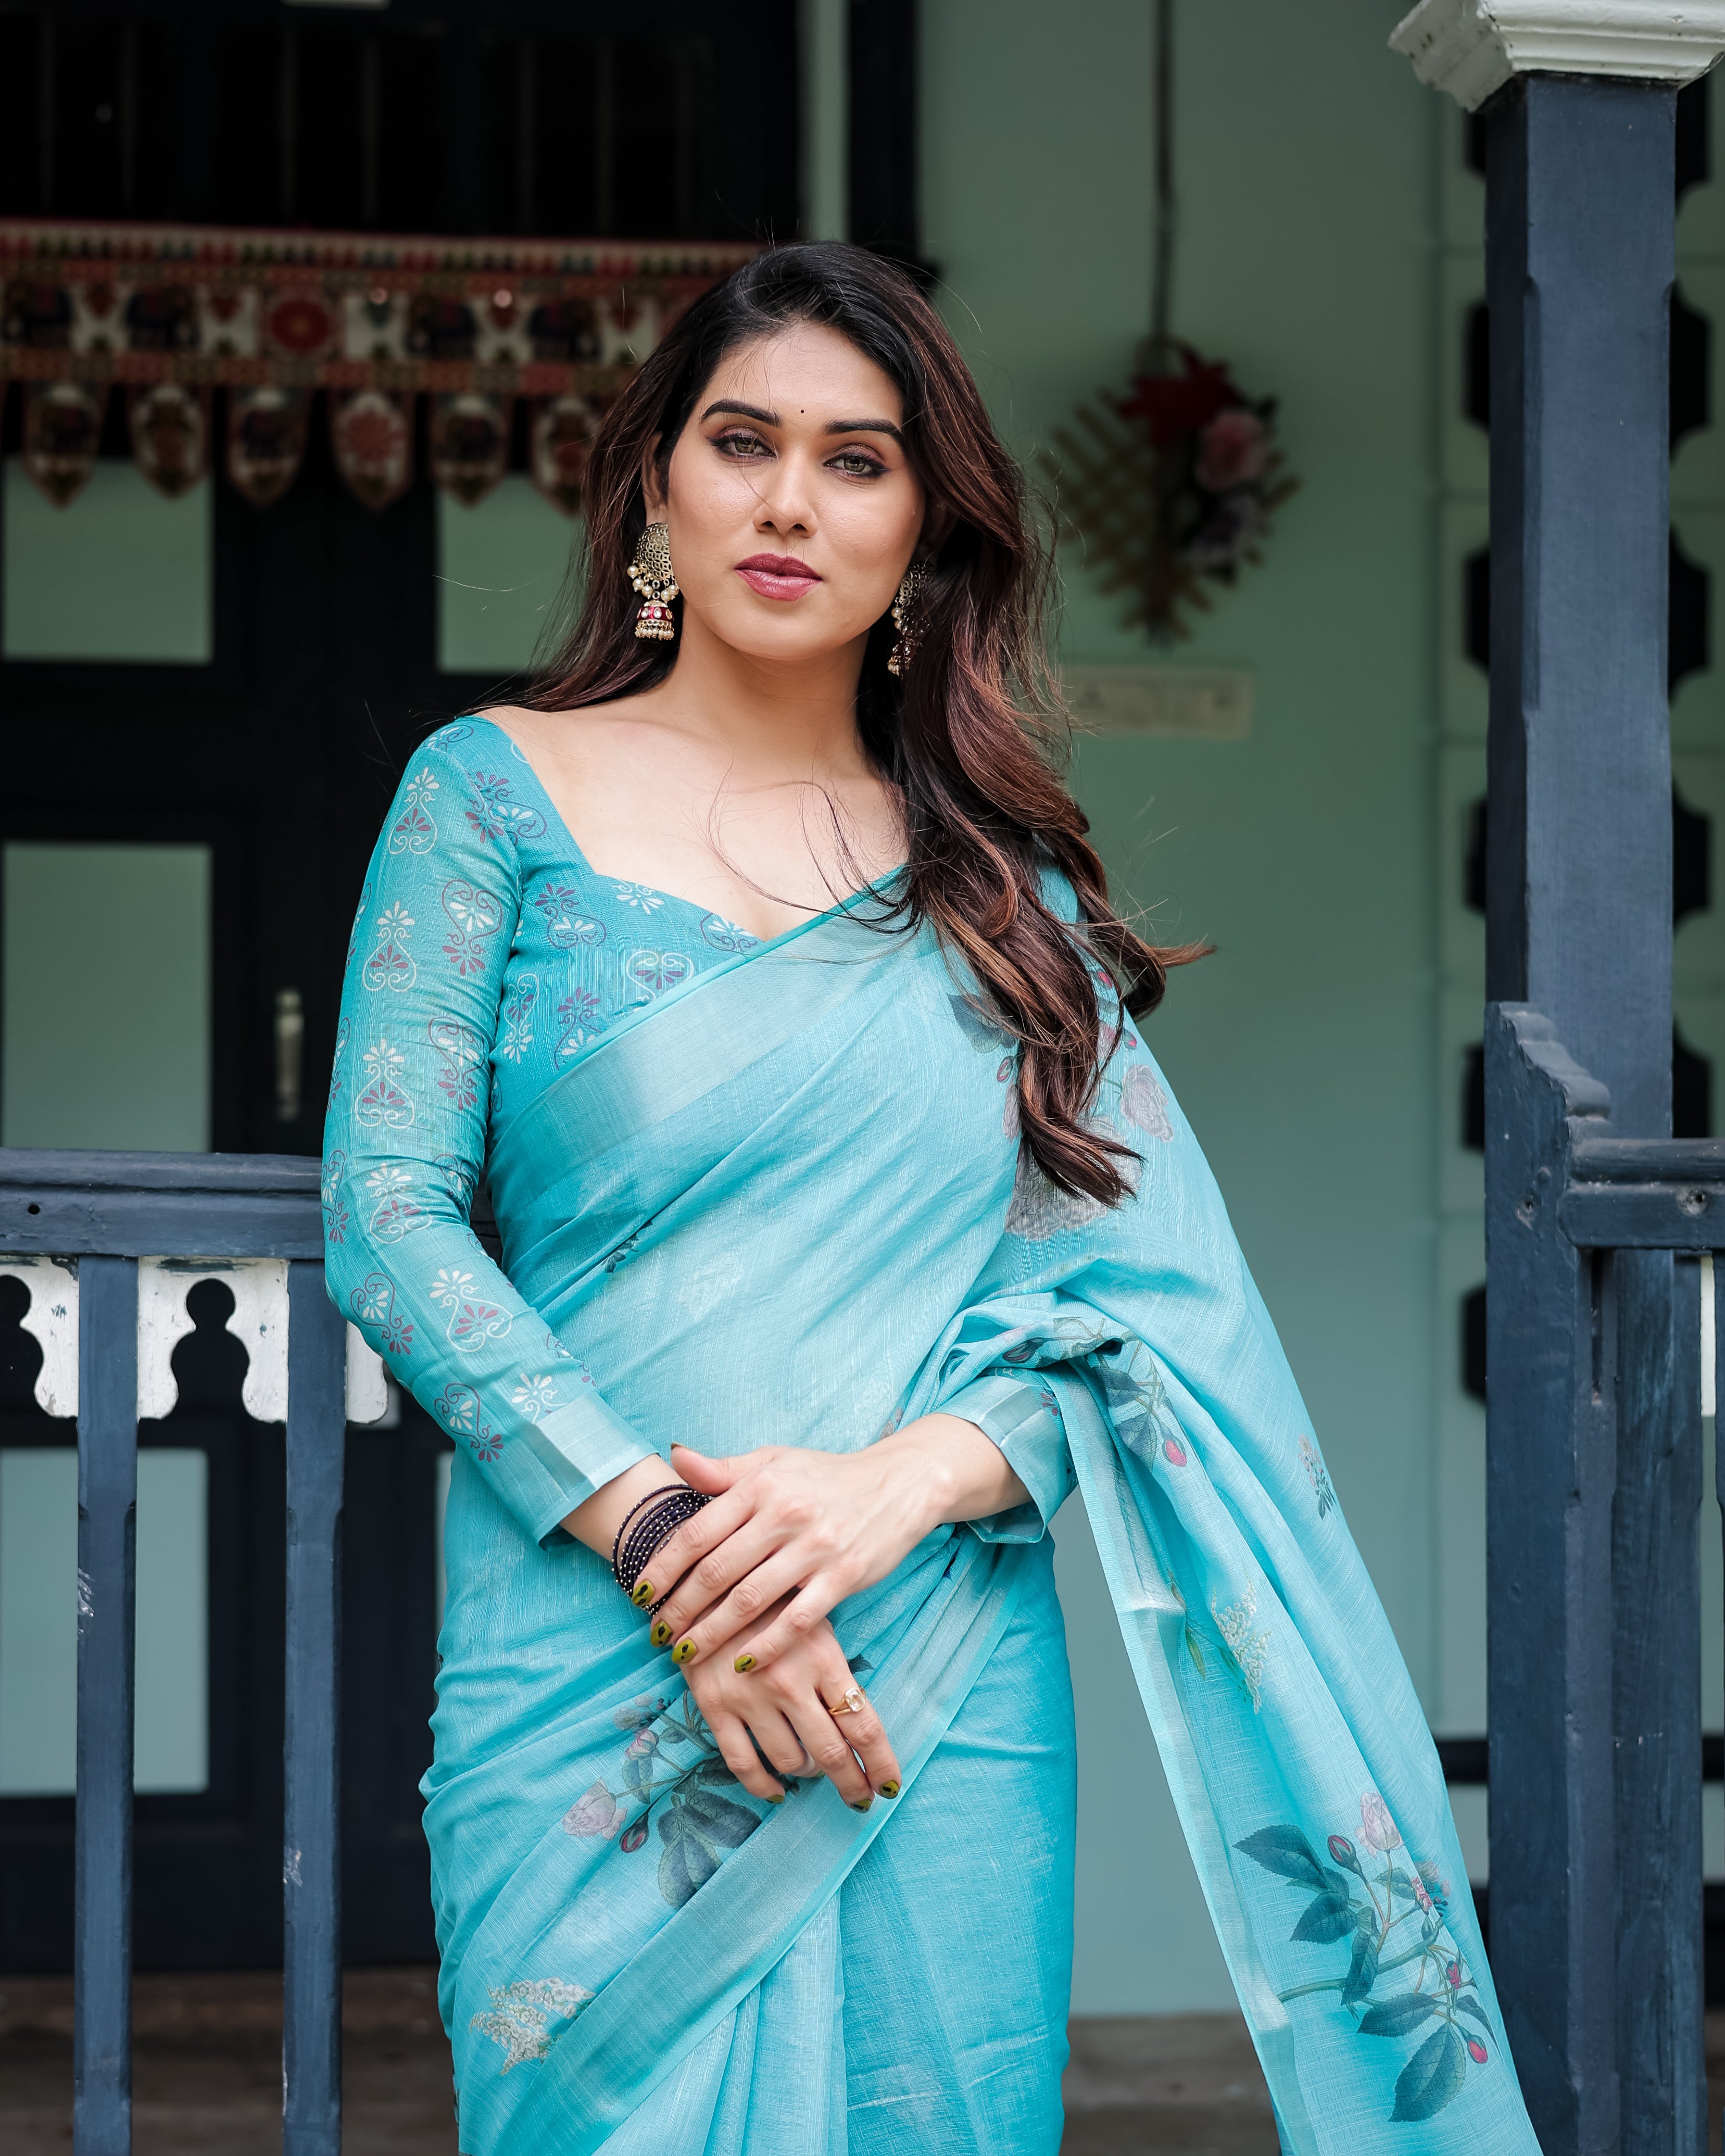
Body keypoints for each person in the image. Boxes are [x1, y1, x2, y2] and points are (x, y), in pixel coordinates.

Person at [323, 242, 1538, 2155]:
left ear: (922, 532)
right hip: (588, 1649)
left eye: (856, 460)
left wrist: (886, 1490)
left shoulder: (997, 896)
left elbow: (1145, 1317)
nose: (789, 502)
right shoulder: (489, 796)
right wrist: (675, 1547)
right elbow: (388, 1217)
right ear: (654, 484)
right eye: (742, 442)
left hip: (932, 1666)